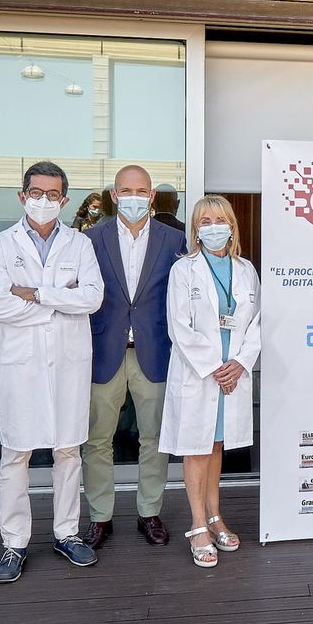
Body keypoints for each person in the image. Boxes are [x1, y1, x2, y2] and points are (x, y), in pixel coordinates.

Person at [0, 160, 105, 583]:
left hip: (68, 363)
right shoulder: (1, 245)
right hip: (21, 367)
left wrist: (34, 294)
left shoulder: (80, 244)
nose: (44, 201)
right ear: (22, 195)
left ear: (64, 200)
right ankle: (14, 542)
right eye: (36, 192)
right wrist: (59, 299)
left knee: (68, 450)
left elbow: (91, 298)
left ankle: (67, 533)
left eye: (53, 195)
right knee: (15, 452)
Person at [80, 165, 187, 549]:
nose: (134, 197)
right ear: (113, 194)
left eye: (141, 190)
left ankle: (149, 512)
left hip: (154, 351)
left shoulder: (175, 240)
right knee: (97, 440)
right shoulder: (90, 240)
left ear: (152, 197)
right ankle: (100, 518)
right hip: (104, 350)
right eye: (126, 189)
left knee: (154, 438)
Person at [160, 195, 261, 568]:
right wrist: (215, 366)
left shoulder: (246, 269)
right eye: (205, 220)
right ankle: (198, 524)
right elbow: (179, 327)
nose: (213, 226)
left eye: (220, 219)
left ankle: (216, 516)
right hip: (200, 374)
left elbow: (255, 323)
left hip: (231, 373)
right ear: (196, 229)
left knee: (217, 446)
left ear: (231, 225)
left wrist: (239, 362)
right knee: (197, 448)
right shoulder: (183, 270)